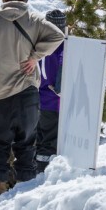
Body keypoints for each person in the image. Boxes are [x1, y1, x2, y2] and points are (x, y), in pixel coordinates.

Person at [0, 0, 65, 197]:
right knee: (26, 143)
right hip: (28, 93)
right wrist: (35, 56)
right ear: (24, 0)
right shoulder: (34, 20)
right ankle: (26, 189)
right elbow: (58, 36)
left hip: (2, 93)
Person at [36, 9, 66, 172]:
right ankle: (43, 172)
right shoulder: (61, 44)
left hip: (38, 100)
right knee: (50, 140)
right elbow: (62, 64)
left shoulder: (39, 43)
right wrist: (60, 88)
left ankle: (36, 169)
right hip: (54, 101)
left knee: (40, 137)